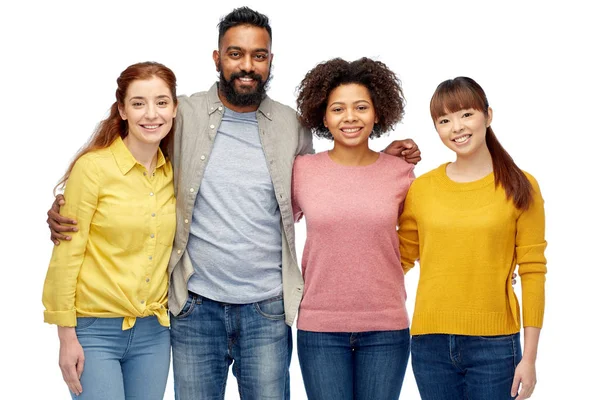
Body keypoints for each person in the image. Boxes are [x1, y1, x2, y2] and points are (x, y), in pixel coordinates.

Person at [47, 7, 421, 400]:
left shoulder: (290, 125)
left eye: (258, 55)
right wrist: (69, 206)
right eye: (235, 53)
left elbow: (329, 181)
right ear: (217, 58)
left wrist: (384, 158)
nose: (247, 65)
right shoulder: (182, 114)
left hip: (268, 310)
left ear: (270, 61)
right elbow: (132, 162)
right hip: (194, 307)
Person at [398, 77, 547, 400]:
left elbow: (534, 272)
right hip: (429, 342)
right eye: (444, 120)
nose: (456, 127)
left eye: (466, 114)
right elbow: (398, 259)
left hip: (495, 345)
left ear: (488, 116)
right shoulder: (422, 189)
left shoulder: (521, 186)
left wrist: (530, 358)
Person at [42, 61, 178, 399]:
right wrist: (65, 337)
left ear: (175, 108)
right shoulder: (93, 169)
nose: (151, 114)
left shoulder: (173, 174)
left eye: (162, 102)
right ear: (122, 110)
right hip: (94, 331)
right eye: (138, 103)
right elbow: (66, 257)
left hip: (154, 333)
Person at [291, 57, 414, 400]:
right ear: (323, 116)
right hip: (319, 327)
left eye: (361, 107)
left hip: (386, 326)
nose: (350, 117)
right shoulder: (302, 171)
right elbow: (272, 227)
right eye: (338, 109)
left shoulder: (399, 172)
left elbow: (418, 239)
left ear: (377, 113)